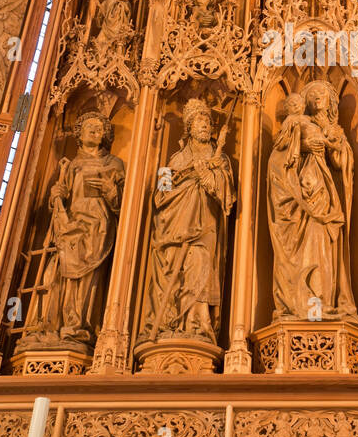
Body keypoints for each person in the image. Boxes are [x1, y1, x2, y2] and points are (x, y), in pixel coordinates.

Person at [140, 98, 235, 343]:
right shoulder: (174, 160)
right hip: (174, 229)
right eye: (199, 122)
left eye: (207, 122)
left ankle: (197, 325)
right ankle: (168, 324)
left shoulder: (220, 159)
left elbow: (227, 194)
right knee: (172, 272)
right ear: (189, 127)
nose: (205, 126)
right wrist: (186, 176)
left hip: (204, 228)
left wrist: (208, 177)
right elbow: (160, 196)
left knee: (200, 268)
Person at [28, 111, 125, 347]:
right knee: (56, 275)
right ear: (79, 133)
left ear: (105, 136)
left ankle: (78, 328)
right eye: (89, 126)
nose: (94, 130)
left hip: (97, 229)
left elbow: (126, 204)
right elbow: (60, 200)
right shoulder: (70, 165)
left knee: (86, 282)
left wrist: (110, 191)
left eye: (99, 128)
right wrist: (55, 196)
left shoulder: (114, 164)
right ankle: (52, 326)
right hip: (70, 228)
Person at [267, 81, 358, 323]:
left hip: (323, 192)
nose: (317, 97)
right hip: (302, 193)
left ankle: (323, 303)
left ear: (331, 101)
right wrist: (304, 146)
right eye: (312, 94)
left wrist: (337, 145)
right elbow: (279, 159)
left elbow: (341, 165)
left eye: (323, 94)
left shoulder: (333, 128)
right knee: (306, 246)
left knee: (323, 247)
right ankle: (304, 305)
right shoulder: (295, 124)